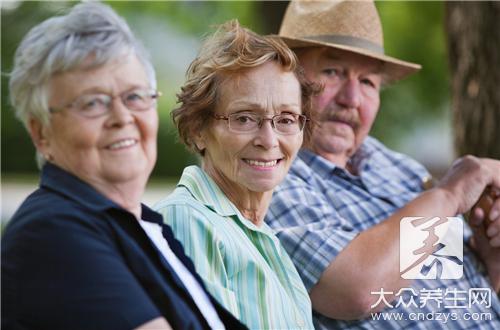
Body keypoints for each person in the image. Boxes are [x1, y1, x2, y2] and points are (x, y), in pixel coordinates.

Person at [1, 3, 246, 329]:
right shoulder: (52, 231)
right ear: (41, 132)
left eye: (134, 97)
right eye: (92, 103)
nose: (122, 118)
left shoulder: (144, 226)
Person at [266, 0, 500, 329]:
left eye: (368, 82)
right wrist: (449, 195)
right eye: (332, 72)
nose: (352, 99)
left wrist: (492, 259)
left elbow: (444, 278)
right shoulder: (271, 173)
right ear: (284, 80)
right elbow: (357, 290)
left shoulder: (397, 167)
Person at [154, 20, 315, 329]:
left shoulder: (259, 235)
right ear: (198, 129)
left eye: (286, 119)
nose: (269, 140)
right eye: (244, 118)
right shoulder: (187, 223)